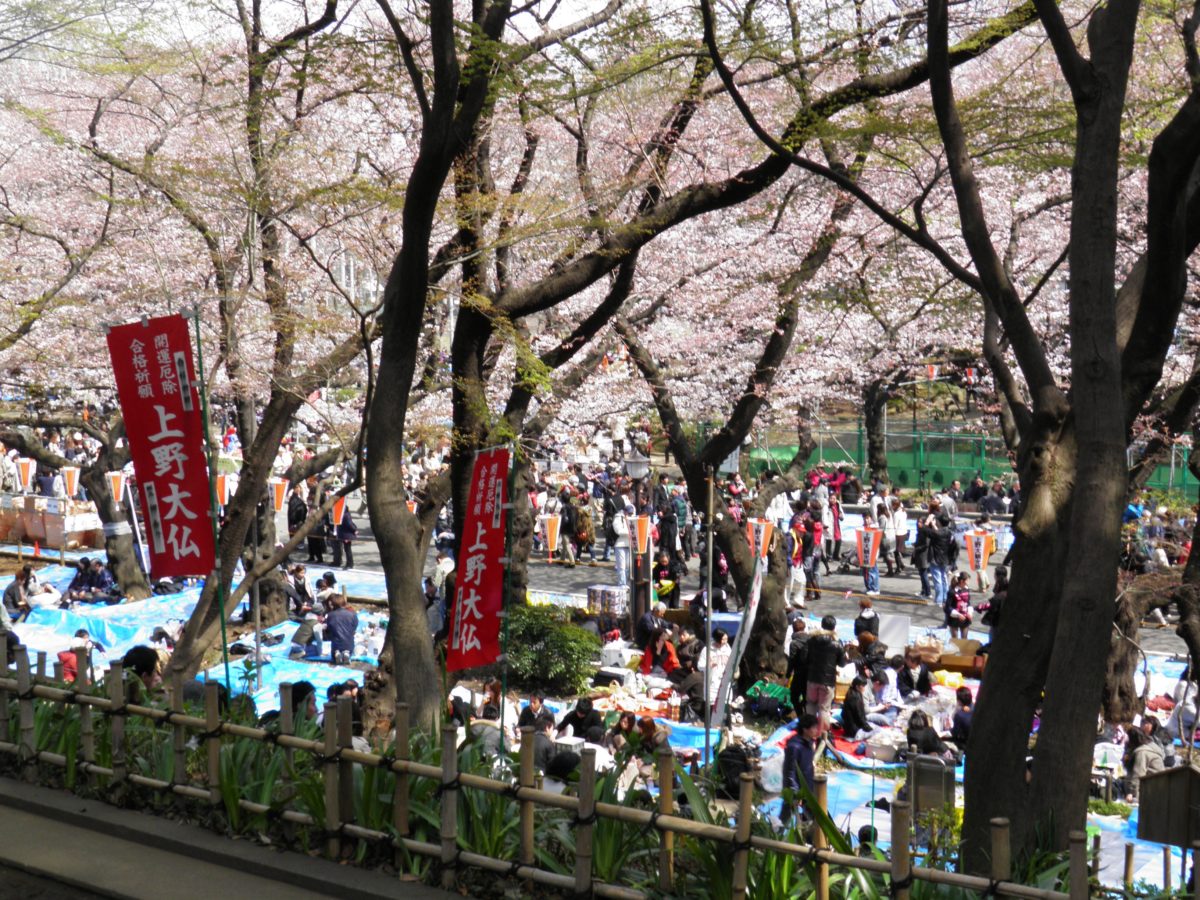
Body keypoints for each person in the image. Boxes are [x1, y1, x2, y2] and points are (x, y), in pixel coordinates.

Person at [804, 615, 848, 732]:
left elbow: (805, 658)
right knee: (824, 708)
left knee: (811, 705)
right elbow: (842, 663)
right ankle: (823, 735)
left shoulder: (812, 640)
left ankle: (809, 731)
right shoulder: (837, 643)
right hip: (828, 681)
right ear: (834, 627)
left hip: (812, 678)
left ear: (822, 625)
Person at [783, 713, 821, 818]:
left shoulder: (809, 742)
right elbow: (790, 771)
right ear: (805, 729)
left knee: (810, 813)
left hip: (808, 784)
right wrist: (794, 791)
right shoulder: (794, 747)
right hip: (796, 787)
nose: (816, 730)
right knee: (787, 814)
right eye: (814, 727)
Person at [1124, 725, 1166, 803]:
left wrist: (1132, 793)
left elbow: (1138, 774)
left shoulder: (1142, 752)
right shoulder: (1150, 747)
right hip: (1158, 786)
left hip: (1152, 788)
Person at [697, 627, 732, 704]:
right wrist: (709, 665)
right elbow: (700, 666)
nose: (725, 641)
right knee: (713, 705)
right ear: (717, 639)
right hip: (712, 684)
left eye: (726, 639)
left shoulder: (728, 650)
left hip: (725, 682)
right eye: (723, 639)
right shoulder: (707, 650)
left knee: (725, 704)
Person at [324, 594, 358, 665]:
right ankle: (346, 653)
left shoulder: (330, 615)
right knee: (348, 647)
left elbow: (329, 628)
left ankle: (337, 652)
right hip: (349, 642)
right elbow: (354, 627)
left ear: (333, 604)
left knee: (335, 650)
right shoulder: (352, 614)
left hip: (336, 642)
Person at [672, 655, 706, 722]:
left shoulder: (694, 676)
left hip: (695, 709)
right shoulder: (710, 676)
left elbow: (680, 689)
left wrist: (671, 685)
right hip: (706, 709)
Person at [946, 572, 972, 639]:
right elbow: (947, 607)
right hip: (954, 619)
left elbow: (968, 603)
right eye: (967, 580)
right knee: (955, 639)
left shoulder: (966, 589)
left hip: (965, 618)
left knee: (964, 639)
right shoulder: (952, 592)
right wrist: (958, 615)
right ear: (962, 581)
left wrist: (969, 612)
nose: (968, 583)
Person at [612, 502, 632, 587]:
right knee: (621, 566)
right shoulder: (618, 518)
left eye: (631, 513)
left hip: (629, 544)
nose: (630, 515)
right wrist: (630, 532)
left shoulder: (631, 518)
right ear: (624, 511)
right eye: (629, 513)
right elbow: (618, 530)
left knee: (628, 566)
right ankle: (622, 584)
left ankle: (626, 582)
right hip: (620, 544)